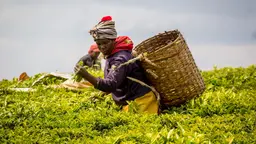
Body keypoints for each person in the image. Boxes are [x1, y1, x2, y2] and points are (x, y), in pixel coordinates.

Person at [74, 16, 159, 114]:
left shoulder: (120, 59)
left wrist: (86, 75)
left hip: (143, 102)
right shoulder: (112, 53)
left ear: (113, 40)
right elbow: (117, 81)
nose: (102, 47)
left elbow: (110, 85)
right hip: (130, 103)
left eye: (105, 43)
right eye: (99, 44)